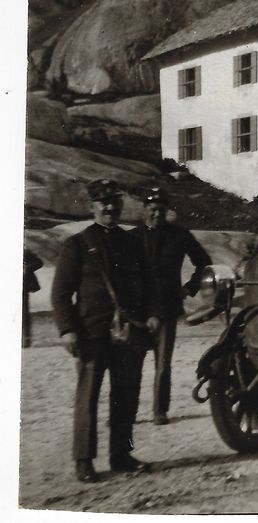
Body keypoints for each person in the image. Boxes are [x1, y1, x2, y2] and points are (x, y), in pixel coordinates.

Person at [51, 179, 158, 482]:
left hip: (129, 333)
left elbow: (150, 286)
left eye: (114, 201)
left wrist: (152, 315)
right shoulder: (78, 244)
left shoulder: (132, 242)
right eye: (103, 202)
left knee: (126, 396)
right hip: (92, 333)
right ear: (92, 207)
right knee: (88, 398)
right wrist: (67, 331)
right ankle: (83, 460)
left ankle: (121, 455)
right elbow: (60, 294)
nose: (110, 207)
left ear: (121, 205)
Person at [129, 188, 211, 426]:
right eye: (152, 209)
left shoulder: (180, 236)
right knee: (133, 365)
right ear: (144, 210)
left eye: (161, 210)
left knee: (162, 365)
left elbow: (204, 263)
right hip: (138, 311)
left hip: (167, 308)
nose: (156, 214)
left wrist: (189, 288)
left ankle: (159, 411)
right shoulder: (131, 238)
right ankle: (129, 413)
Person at [23, 248, 43, 348]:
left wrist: (26, 269)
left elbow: (39, 262)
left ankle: (25, 340)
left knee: (23, 313)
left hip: (22, 285)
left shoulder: (23, 251)